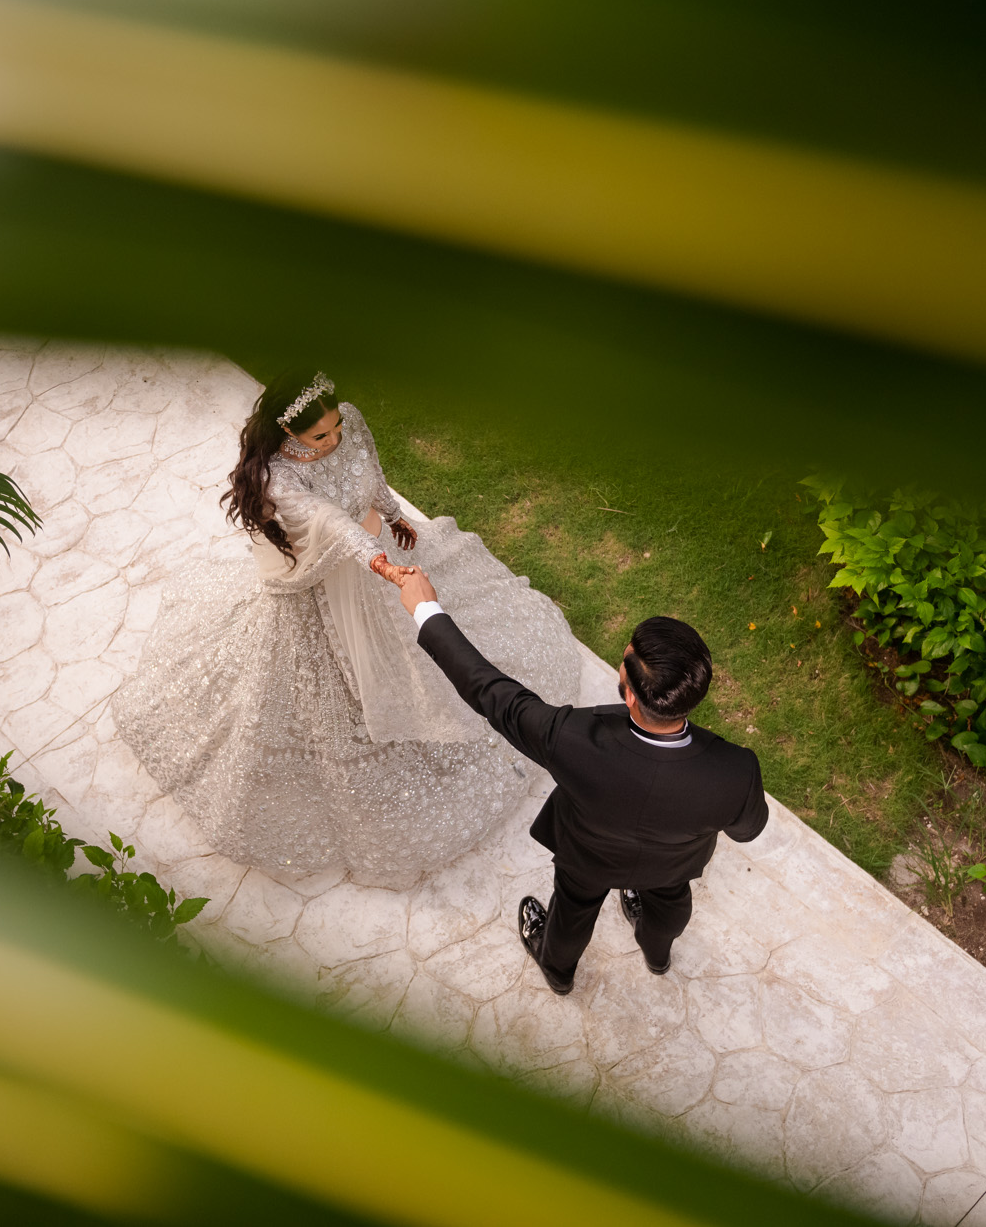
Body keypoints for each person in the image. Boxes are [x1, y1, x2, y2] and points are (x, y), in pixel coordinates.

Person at [111, 371, 579, 877]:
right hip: (330, 572)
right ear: (288, 434)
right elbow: (333, 526)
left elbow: (370, 469)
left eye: (335, 427)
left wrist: (394, 514)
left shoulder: (348, 420)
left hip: (375, 544)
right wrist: (385, 566)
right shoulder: (280, 478)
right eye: (321, 436)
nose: (334, 439)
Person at [384, 565, 768, 992]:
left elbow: (491, 692)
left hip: (587, 859)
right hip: (669, 868)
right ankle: (657, 955)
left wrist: (425, 609)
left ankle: (558, 970)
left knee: (573, 910)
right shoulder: (737, 770)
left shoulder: (570, 739)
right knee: (670, 906)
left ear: (628, 691)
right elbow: (748, 831)